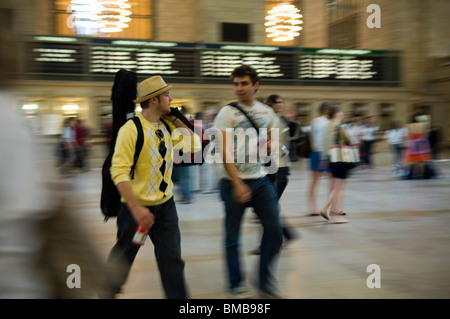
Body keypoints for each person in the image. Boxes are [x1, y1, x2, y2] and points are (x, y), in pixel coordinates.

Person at [103, 76, 199, 299]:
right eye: (167, 95)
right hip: (135, 211)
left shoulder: (167, 126)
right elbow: (118, 172)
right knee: (123, 258)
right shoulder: (131, 129)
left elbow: (194, 145)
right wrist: (137, 209)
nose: (171, 98)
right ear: (154, 100)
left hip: (166, 207)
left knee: (172, 261)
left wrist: (175, 117)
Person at [213, 65, 284, 299]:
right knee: (232, 235)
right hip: (232, 181)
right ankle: (236, 283)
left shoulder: (266, 112)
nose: (239, 88)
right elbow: (223, 152)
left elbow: (273, 141)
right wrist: (237, 183)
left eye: (243, 83)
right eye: (235, 84)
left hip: (259, 178)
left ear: (255, 85)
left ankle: (263, 280)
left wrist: (272, 150)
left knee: (274, 230)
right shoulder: (227, 113)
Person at [320, 105, 353, 224]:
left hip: (330, 157)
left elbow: (323, 142)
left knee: (337, 184)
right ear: (337, 114)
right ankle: (327, 209)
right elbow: (349, 141)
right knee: (339, 185)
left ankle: (334, 208)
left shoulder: (327, 126)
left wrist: (325, 158)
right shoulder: (339, 126)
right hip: (340, 158)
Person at [306, 102, 333, 216]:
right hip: (327, 153)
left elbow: (312, 139)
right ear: (327, 110)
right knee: (332, 182)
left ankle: (313, 208)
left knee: (314, 181)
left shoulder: (314, 121)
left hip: (316, 153)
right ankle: (330, 207)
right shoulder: (330, 122)